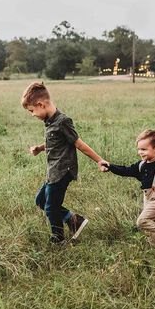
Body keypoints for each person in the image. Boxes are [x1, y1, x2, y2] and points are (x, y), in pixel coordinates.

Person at [22, 81, 107, 244]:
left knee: (51, 207)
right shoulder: (50, 122)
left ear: (41, 104)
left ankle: (58, 239)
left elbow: (79, 143)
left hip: (62, 171)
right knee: (41, 200)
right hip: (53, 171)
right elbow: (55, 142)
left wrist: (99, 160)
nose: (32, 114)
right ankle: (74, 220)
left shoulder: (63, 121)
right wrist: (40, 148)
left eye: (32, 111)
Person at [104, 129, 155, 250]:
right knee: (152, 225)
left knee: (142, 221)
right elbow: (125, 170)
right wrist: (110, 166)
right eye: (139, 149)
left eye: (144, 149)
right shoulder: (141, 165)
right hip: (147, 198)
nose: (140, 152)